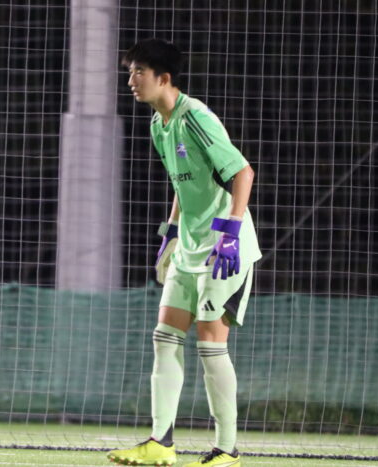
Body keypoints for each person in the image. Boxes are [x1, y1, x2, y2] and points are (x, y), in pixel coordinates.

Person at [107, 39, 262, 467]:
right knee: (164, 337)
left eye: (139, 72)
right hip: (190, 247)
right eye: (130, 72)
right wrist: (172, 231)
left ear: (164, 78)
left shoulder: (195, 117)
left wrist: (231, 231)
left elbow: (243, 172)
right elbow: (182, 182)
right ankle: (160, 442)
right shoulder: (158, 125)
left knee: (210, 343)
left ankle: (227, 450)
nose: (131, 80)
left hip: (225, 248)